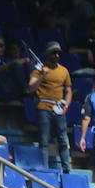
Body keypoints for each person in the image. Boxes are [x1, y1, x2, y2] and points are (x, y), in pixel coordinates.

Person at [27, 43, 73, 172]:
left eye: (58, 53)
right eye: (54, 53)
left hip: (59, 108)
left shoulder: (64, 70)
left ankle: (66, 169)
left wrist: (67, 105)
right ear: (48, 54)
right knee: (44, 140)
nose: (57, 55)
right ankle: (44, 169)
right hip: (43, 107)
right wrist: (42, 75)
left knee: (63, 140)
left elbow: (68, 90)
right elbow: (31, 88)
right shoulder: (38, 70)